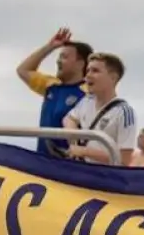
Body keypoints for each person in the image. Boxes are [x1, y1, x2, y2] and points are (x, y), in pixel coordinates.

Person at [15, 28, 92, 156]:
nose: (58, 61)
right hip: (43, 160)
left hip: (70, 165)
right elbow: (23, 70)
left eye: (64, 57)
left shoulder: (88, 92)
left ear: (80, 64)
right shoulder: (51, 85)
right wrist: (50, 47)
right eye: (59, 56)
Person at [62, 53, 137, 165]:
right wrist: (74, 141)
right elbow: (69, 119)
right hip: (82, 171)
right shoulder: (86, 101)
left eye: (95, 71)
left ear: (113, 78)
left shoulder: (124, 112)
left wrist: (84, 151)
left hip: (105, 178)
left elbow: (124, 160)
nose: (87, 76)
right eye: (88, 70)